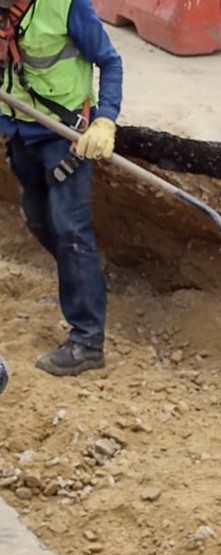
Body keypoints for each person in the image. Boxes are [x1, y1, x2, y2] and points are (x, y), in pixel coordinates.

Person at [0, 0, 123, 376]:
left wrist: (105, 120)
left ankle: (88, 342)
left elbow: (110, 61)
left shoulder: (65, 5)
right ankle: (83, 282)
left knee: (69, 230)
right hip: (19, 130)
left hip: (64, 136)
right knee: (38, 218)